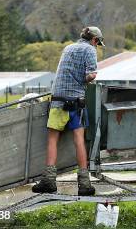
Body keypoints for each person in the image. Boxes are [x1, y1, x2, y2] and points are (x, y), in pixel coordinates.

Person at [32, 26, 105, 195]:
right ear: (94, 40)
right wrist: (88, 79)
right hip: (75, 102)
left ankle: (49, 181)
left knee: (52, 140)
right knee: (79, 140)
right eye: (97, 43)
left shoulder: (68, 48)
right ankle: (84, 184)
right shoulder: (90, 50)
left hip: (57, 99)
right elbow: (91, 75)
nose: (96, 46)